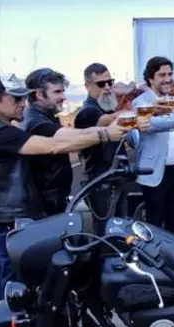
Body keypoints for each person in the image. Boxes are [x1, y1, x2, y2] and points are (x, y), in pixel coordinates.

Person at [0, 72, 128, 303]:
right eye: (16, 99)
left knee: (1, 268)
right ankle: (8, 320)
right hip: (5, 215)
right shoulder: (0, 133)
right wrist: (105, 134)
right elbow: (52, 146)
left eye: (24, 97)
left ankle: (3, 316)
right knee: (13, 275)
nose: (23, 103)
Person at [129, 56, 174, 238]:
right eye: (162, 75)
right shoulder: (141, 102)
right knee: (154, 224)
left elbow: (172, 130)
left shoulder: (169, 99)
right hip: (154, 171)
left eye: (170, 74)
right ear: (151, 78)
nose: (167, 79)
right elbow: (150, 124)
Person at [74, 63, 124, 228]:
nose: (107, 87)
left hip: (115, 178)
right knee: (106, 230)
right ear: (88, 86)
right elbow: (107, 120)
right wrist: (139, 112)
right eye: (101, 84)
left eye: (110, 82)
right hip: (101, 181)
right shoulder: (88, 111)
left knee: (119, 229)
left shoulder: (106, 107)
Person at [20, 68, 73, 216]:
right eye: (57, 92)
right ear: (39, 94)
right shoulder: (36, 122)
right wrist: (106, 133)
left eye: (62, 92)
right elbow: (70, 139)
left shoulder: (44, 116)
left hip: (53, 199)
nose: (63, 97)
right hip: (46, 203)